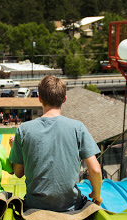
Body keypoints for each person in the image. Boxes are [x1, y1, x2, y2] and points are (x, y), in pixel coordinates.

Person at [9, 75, 102, 212]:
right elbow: (95, 170)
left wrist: (18, 149)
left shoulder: (24, 130)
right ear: (64, 98)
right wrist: (96, 195)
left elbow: (18, 173)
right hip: (70, 206)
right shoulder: (78, 127)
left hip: (34, 207)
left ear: (40, 98)